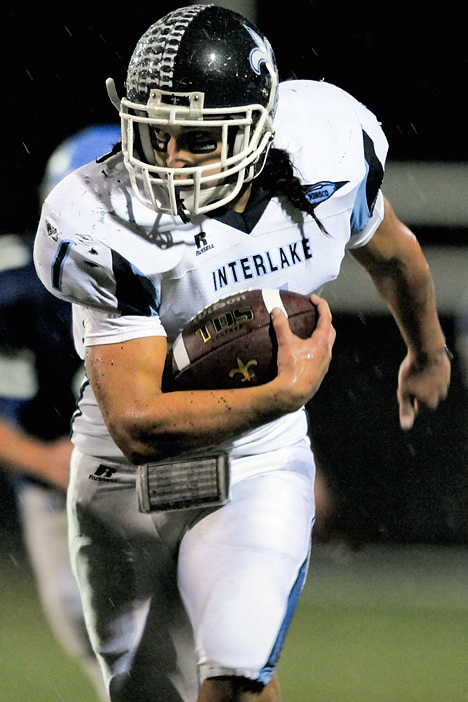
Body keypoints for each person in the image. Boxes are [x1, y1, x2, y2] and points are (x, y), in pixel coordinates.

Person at [33, 6, 451, 701]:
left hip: (257, 459)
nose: (168, 158)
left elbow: (393, 254)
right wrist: (283, 392)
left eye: (197, 138)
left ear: (257, 130)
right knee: (146, 692)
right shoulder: (103, 217)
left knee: (237, 678)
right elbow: (137, 423)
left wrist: (428, 351)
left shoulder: (324, 153)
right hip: (122, 482)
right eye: (155, 131)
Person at [0, 125, 120, 702]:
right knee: (98, 640)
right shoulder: (18, 286)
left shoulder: (180, 266)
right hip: (59, 492)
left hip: (161, 475)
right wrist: (47, 460)